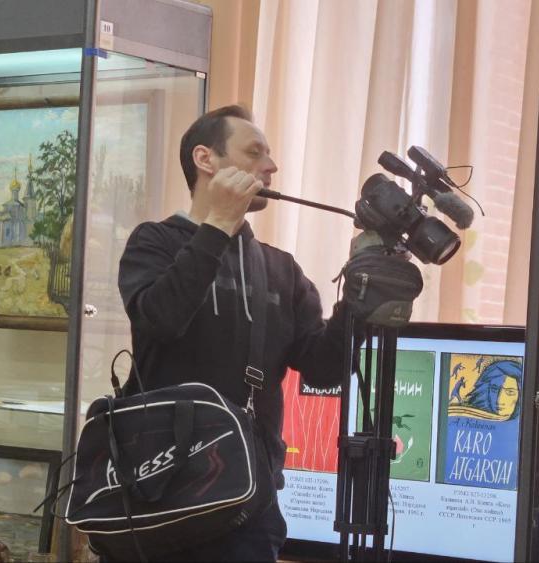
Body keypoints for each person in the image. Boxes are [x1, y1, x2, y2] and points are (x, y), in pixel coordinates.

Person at [117, 104, 359, 561]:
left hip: (249, 501)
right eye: (254, 152)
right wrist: (219, 225)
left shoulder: (280, 268)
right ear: (205, 159)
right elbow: (161, 319)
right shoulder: (154, 242)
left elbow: (324, 368)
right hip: (158, 490)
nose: (271, 166)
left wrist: (359, 305)